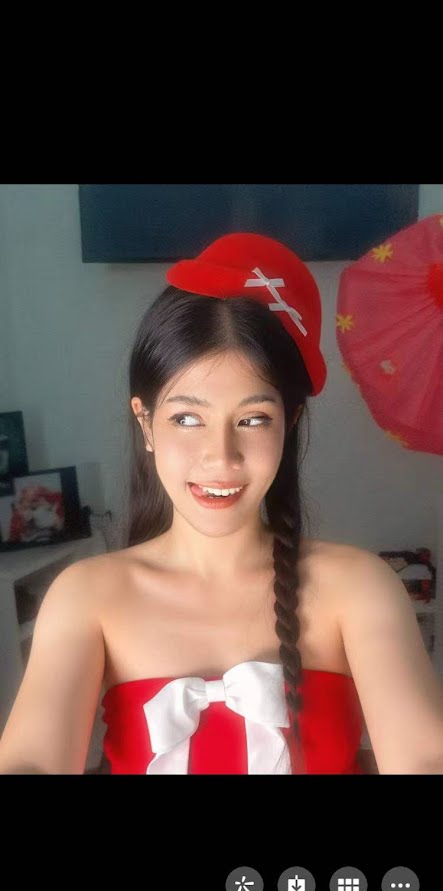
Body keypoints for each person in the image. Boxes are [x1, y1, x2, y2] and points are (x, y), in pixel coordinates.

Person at [1, 232, 442, 775]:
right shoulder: (86, 596)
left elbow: (424, 758)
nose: (221, 457)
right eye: (187, 418)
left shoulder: (360, 587)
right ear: (145, 423)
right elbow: (30, 762)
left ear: (289, 423)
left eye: (253, 419)